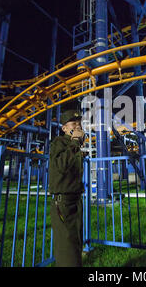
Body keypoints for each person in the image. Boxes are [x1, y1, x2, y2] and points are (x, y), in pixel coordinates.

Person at [49, 109, 85, 267]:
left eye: (79, 123)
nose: (77, 126)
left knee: (76, 244)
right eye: (73, 123)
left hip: (75, 201)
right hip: (63, 203)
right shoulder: (60, 142)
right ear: (64, 128)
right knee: (67, 248)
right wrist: (75, 142)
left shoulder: (74, 146)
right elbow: (61, 166)